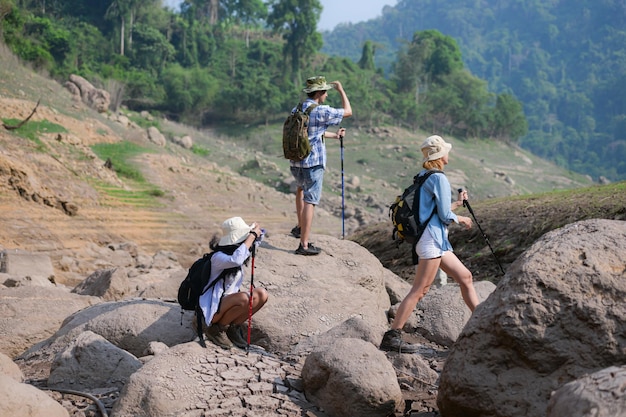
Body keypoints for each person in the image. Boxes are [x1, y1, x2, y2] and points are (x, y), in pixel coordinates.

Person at [380, 135, 480, 353]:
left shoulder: (424, 176)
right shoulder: (439, 178)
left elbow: (435, 209)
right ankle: (392, 336)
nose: (448, 154)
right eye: (446, 151)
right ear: (441, 155)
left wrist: (457, 204)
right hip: (432, 240)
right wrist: (461, 218)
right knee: (419, 290)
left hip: (433, 240)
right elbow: (444, 215)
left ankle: (482, 320)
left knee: (465, 277)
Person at [289, 75, 352, 255]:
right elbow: (348, 112)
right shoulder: (321, 110)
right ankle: (304, 245)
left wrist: (334, 135)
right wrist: (341, 90)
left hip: (296, 161)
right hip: (313, 163)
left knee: (301, 190)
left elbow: (310, 134)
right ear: (319, 93)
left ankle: (300, 228)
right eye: (325, 92)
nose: (326, 95)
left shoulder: (298, 108)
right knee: (310, 200)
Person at [197, 216, 269, 349]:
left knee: (261, 294)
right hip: (212, 310)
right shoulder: (218, 258)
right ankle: (217, 329)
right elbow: (236, 260)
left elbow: (257, 240)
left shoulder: (237, 251)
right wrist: (251, 236)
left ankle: (233, 328)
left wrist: (256, 231)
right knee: (244, 298)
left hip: (227, 304)